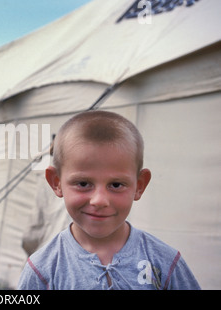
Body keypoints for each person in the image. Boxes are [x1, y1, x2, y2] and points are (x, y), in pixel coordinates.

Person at [17, 110, 200, 290]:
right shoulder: (42, 270)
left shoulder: (165, 263)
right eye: (83, 183)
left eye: (116, 185)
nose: (99, 200)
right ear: (56, 182)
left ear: (140, 185)